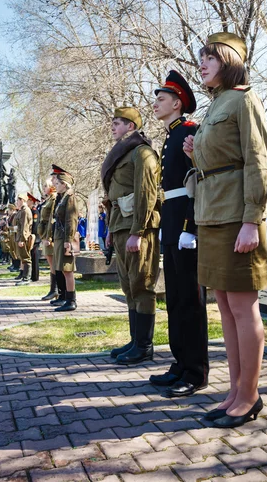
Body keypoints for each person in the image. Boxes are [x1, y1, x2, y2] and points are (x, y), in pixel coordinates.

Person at [183, 31, 267, 428]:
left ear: (229, 62)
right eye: (201, 58)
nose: (201, 64)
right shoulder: (216, 103)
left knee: (242, 307)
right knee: (224, 306)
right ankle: (234, 390)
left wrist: (252, 219)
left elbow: (257, 161)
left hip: (238, 216)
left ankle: (249, 396)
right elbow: (221, 157)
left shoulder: (243, 98)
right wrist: (195, 151)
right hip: (211, 215)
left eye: (210, 58)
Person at [150, 70, 209, 397]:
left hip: (186, 225)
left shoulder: (190, 131)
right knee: (174, 299)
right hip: (171, 224)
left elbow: (195, 182)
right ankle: (180, 363)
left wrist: (189, 226)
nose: (156, 104)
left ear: (177, 103)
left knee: (190, 300)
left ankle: (196, 371)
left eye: (161, 99)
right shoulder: (170, 135)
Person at [101, 107, 160, 365]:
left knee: (142, 284)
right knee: (128, 286)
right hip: (121, 226)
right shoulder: (123, 154)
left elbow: (146, 194)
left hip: (138, 229)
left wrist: (138, 231)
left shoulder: (142, 153)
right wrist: (111, 231)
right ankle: (135, 340)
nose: (112, 127)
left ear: (131, 127)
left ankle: (145, 345)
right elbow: (113, 197)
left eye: (118, 123)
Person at [50, 166, 79, 311]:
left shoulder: (70, 198)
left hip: (65, 238)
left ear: (64, 184)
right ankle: (66, 298)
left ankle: (71, 300)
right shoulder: (63, 198)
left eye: (57, 184)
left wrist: (68, 240)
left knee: (68, 270)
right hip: (60, 237)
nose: (55, 186)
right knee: (62, 269)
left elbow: (71, 220)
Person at [37, 179, 57, 301]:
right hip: (44, 234)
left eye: (46, 186)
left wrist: (48, 237)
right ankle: (53, 290)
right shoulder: (49, 199)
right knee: (52, 265)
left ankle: (55, 290)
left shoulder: (53, 198)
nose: (44, 188)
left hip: (49, 236)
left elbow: (51, 219)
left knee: (53, 264)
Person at [14, 193, 33, 285]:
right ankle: (24, 277)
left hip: (24, 238)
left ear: (22, 200)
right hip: (20, 236)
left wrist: (22, 239)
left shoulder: (25, 211)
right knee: (23, 258)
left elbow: (25, 226)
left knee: (26, 258)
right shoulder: (21, 211)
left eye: (18, 200)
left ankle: (26, 278)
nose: (17, 202)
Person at [27, 193, 40, 282]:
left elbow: (35, 225)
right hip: (31, 236)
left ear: (31, 201)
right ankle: (32, 275)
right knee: (31, 256)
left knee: (34, 257)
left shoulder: (34, 211)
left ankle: (35, 276)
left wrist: (32, 236)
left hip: (35, 237)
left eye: (28, 200)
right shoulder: (30, 211)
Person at [7, 204, 20, 272]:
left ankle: (16, 265)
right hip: (11, 234)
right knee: (11, 250)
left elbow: (15, 226)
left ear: (12, 210)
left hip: (14, 234)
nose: (8, 212)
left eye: (9, 210)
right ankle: (14, 264)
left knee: (15, 250)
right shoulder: (11, 216)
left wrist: (10, 228)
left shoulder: (15, 216)